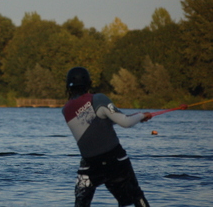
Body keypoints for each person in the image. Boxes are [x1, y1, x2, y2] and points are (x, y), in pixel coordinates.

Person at [62, 67, 152, 207]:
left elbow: (95, 126)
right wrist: (141, 115)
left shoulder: (65, 110)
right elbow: (125, 121)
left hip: (89, 165)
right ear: (89, 83)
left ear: (68, 86)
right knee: (136, 196)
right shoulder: (98, 99)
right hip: (115, 161)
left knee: (80, 204)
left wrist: (137, 118)